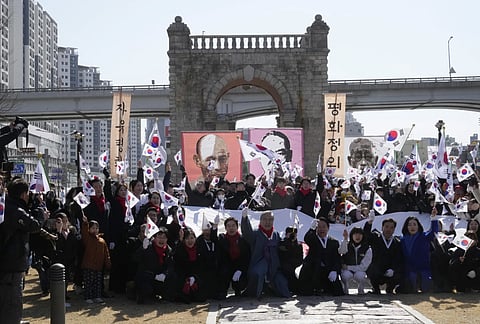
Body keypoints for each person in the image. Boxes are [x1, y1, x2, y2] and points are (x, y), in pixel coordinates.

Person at [0, 177, 41, 324]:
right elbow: (35, 225)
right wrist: (38, 208)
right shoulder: (16, 210)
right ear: (23, 194)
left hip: (7, 263)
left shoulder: (5, 206)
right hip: (11, 264)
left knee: (7, 302)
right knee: (12, 303)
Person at [241, 209, 291, 299]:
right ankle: (255, 293)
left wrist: (290, 240)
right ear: (260, 220)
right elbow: (247, 233)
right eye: (265, 219)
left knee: (282, 283)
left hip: (274, 266)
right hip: (259, 263)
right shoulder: (255, 234)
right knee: (257, 273)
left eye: (270, 219)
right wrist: (245, 219)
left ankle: (271, 289)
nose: (267, 222)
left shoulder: (276, 234)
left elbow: (282, 246)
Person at [298, 217, 344, 296]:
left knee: (338, 291)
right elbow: (307, 238)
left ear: (328, 228)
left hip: (328, 270)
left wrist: (335, 270)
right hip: (314, 270)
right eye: (319, 227)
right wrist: (311, 229)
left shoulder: (334, 242)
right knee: (306, 292)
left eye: (324, 226)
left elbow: (337, 258)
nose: (321, 229)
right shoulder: (313, 238)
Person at [399, 211, 438, 293]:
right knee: (409, 288)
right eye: (409, 225)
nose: (412, 227)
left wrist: (434, 218)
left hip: (424, 269)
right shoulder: (402, 239)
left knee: (426, 287)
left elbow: (434, 232)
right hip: (410, 270)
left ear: (418, 226)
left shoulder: (424, 236)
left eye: (414, 224)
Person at [135, 227, 176, 304]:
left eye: (164, 238)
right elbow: (136, 259)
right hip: (148, 277)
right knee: (146, 289)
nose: (162, 240)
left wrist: (164, 274)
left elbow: (171, 265)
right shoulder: (148, 247)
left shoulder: (168, 250)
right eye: (159, 237)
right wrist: (143, 249)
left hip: (161, 277)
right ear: (154, 238)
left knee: (173, 276)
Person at [364, 217, 403, 294]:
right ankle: (376, 288)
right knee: (372, 269)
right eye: (386, 226)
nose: (388, 229)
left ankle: (390, 288)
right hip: (377, 269)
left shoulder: (397, 242)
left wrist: (393, 269)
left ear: (394, 229)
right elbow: (366, 234)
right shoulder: (375, 237)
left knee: (400, 272)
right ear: (382, 227)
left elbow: (398, 258)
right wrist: (369, 223)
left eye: (391, 227)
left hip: (390, 270)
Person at [80, 213, 111, 304]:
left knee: (97, 282)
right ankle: (88, 296)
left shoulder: (102, 240)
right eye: (93, 228)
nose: (95, 230)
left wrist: (108, 261)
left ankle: (97, 296)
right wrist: (85, 223)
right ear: (89, 229)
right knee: (88, 282)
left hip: (98, 265)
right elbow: (84, 233)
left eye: (96, 228)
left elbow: (106, 252)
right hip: (88, 265)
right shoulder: (88, 239)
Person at [217, 216, 250, 299]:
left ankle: (238, 290)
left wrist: (240, 269)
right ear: (225, 228)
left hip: (239, 267)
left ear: (237, 227)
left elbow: (246, 257)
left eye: (233, 225)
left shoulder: (243, 240)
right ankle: (223, 291)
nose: (231, 228)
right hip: (227, 266)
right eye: (228, 226)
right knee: (223, 272)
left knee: (240, 279)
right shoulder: (222, 239)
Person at [338, 227, 372, 295]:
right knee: (345, 275)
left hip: (359, 271)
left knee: (361, 275)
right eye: (355, 234)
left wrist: (348, 267)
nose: (357, 236)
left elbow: (364, 267)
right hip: (347, 271)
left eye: (360, 234)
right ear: (351, 235)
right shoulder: (347, 244)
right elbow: (341, 251)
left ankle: (361, 288)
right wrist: (345, 239)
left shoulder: (367, 249)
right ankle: (345, 287)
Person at [278, 226, 303, 294]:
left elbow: (300, 258)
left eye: (294, 234)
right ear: (286, 234)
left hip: (295, 266)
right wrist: (289, 241)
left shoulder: (299, 245)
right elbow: (283, 255)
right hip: (285, 268)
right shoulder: (282, 243)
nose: (293, 235)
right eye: (290, 234)